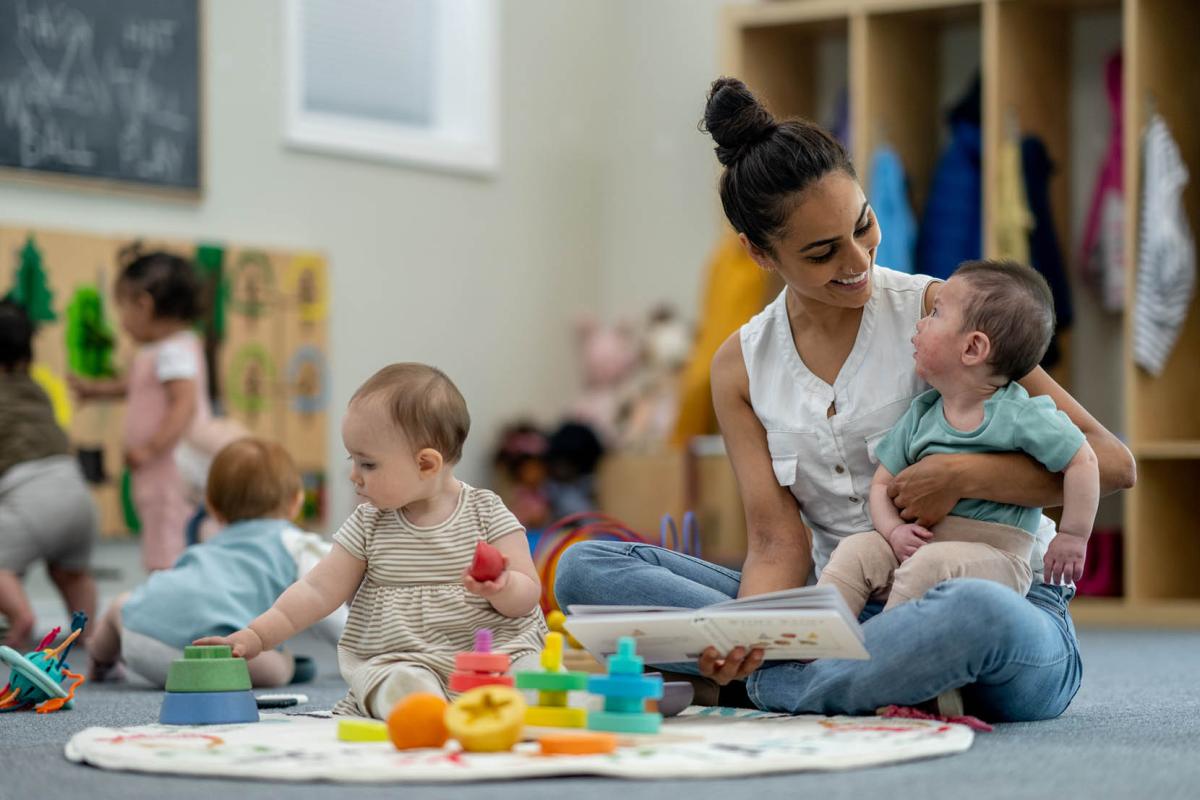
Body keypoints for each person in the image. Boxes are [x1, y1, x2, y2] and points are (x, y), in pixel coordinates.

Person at [554, 78, 1136, 721]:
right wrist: (750, 632)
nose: (857, 259)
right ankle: (844, 672)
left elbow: (1111, 461)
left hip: (998, 599)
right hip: (840, 601)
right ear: (759, 254)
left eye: (863, 226)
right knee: (584, 569)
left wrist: (967, 475)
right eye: (822, 252)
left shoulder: (938, 312)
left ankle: (774, 690)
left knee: (974, 615)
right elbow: (777, 544)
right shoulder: (739, 366)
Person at [197, 364, 547, 719]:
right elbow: (317, 590)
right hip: (404, 658)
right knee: (397, 683)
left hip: (494, 655)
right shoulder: (368, 523)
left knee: (534, 674)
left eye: (368, 464)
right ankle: (423, 712)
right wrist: (257, 636)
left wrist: (501, 587)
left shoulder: (486, 512)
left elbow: (528, 594)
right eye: (353, 460)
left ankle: (517, 702)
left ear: (426, 464)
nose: (354, 476)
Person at [817, 260, 1098, 646]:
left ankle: (883, 659)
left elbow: (1083, 459)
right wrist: (893, 531)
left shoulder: (1022, 413)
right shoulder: (922, 414)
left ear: (973, 347)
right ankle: (815, 649)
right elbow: (882, 484)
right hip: (922, 546)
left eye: (935, 314)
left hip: (997, 556)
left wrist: (1073, 535)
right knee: (856, 549)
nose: (920, 322)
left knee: (930, 566)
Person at [87, 438, 341, 688]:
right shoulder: (295, 543)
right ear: (296, 501)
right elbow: (327, 604)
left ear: (212, 506)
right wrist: (361, 654)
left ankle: (101, 661)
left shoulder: (211, 542)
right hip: (219, 658)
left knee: (120, 606)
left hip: (141, 638)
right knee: (277, 666)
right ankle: (285, 665)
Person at [71, 251, 212, 571]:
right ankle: (163, 586)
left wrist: (150, 447)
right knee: (160, 528)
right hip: (160, 465)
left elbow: (184, 403)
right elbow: (135, 385)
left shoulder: (173, 350)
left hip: (170, 465)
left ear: (144, 305)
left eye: (123, 308)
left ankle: (165, 591)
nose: (122, 322)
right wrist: (94, 391)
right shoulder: (164, 350)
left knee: (168, 535)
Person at [0, 300, 98, 648]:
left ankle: (22, 617)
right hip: (76, 493)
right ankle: (87, 634)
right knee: (73, 574)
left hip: (31, 498)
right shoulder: (36, 390)